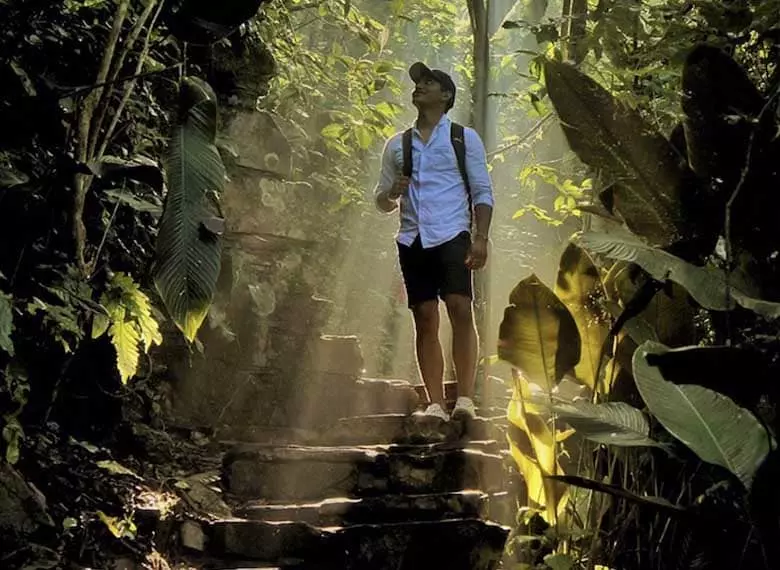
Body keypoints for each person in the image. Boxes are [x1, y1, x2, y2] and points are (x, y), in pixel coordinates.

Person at [373, 61, 494, 421]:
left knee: (459, 307)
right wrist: (392, 194)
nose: (419, 86)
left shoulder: (462, 138)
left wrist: (481, 237)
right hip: (412, 239)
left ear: (446, 95)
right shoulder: (398, 145)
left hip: (452, 233)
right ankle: (436, 404)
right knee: (424, 317)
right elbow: (381, 201)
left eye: (429, 82)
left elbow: (482, 190)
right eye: (417, 83)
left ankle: (467, 400)